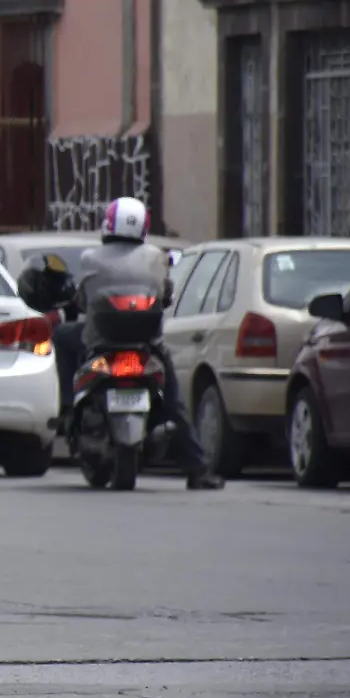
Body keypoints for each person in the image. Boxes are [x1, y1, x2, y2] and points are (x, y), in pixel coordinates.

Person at [57, 197, 223, 491]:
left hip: (101, 342)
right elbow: (166, 293)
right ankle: (197, 470)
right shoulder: (157, 256)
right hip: (148, 344)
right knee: (174, 403)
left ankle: (68, 406)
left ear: (109, 223)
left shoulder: (90, 259)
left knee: (61, 336)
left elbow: (82, 299)